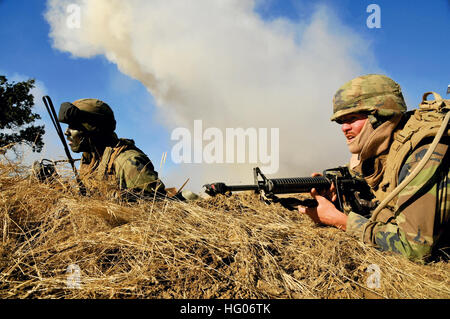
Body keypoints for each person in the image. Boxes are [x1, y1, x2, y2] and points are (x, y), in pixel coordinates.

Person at [298, 74, 449, 261]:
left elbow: (415, 248)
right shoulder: (387, 145)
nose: (344, 128)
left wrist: (341, 221)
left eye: (352, 118)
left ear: (380, 116)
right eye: (341, 121)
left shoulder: (423, 155)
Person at [57, 98, 167, 200]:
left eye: (73, 126)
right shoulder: (91, 159)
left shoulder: (127, 163)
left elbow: (155, 209)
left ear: (93, 128)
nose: (66, 132)